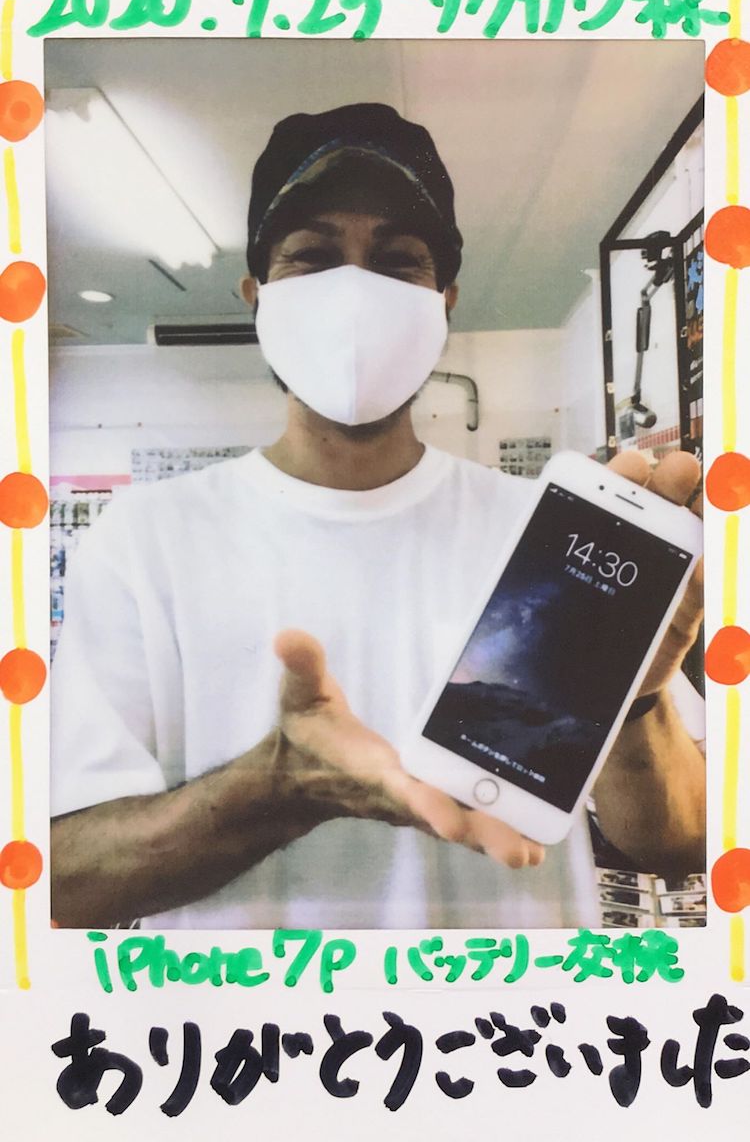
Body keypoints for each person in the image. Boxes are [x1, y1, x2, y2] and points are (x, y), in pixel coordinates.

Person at [50, 103, 705, 930]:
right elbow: (59, 879)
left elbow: (684, 840)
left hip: (515, 1013)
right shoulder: (142, 543)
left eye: (397, 262)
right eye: (313, 256)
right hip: (242, 1018)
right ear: (257, 296)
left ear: (443, 303)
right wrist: (277, 789)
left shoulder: (547, 534)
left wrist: (634, 706)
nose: (355, 293)